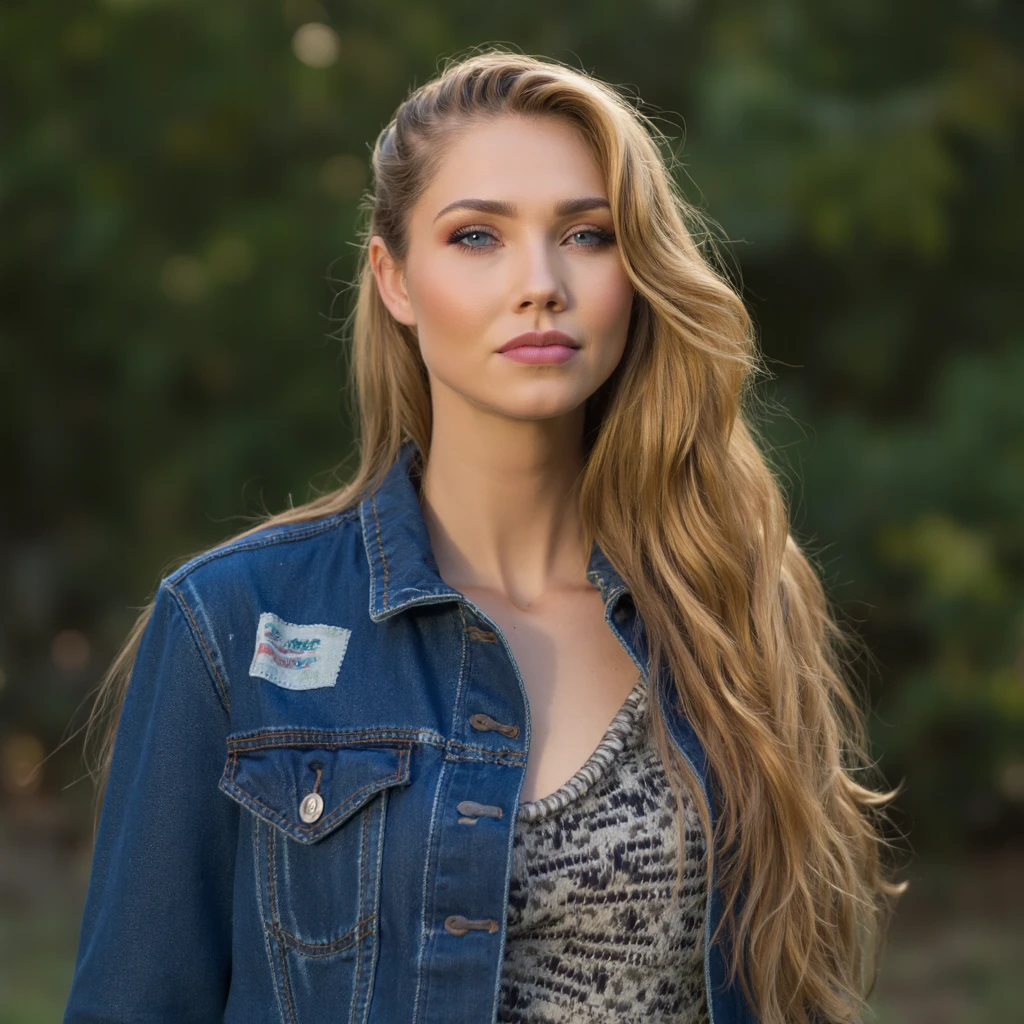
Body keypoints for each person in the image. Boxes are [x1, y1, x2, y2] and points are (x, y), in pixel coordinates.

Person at [63, 48, 907, 1024]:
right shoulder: (231, 624)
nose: (540, 283)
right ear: (394, 279)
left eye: (586, 234)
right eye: (476, 237)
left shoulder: (732, 598)